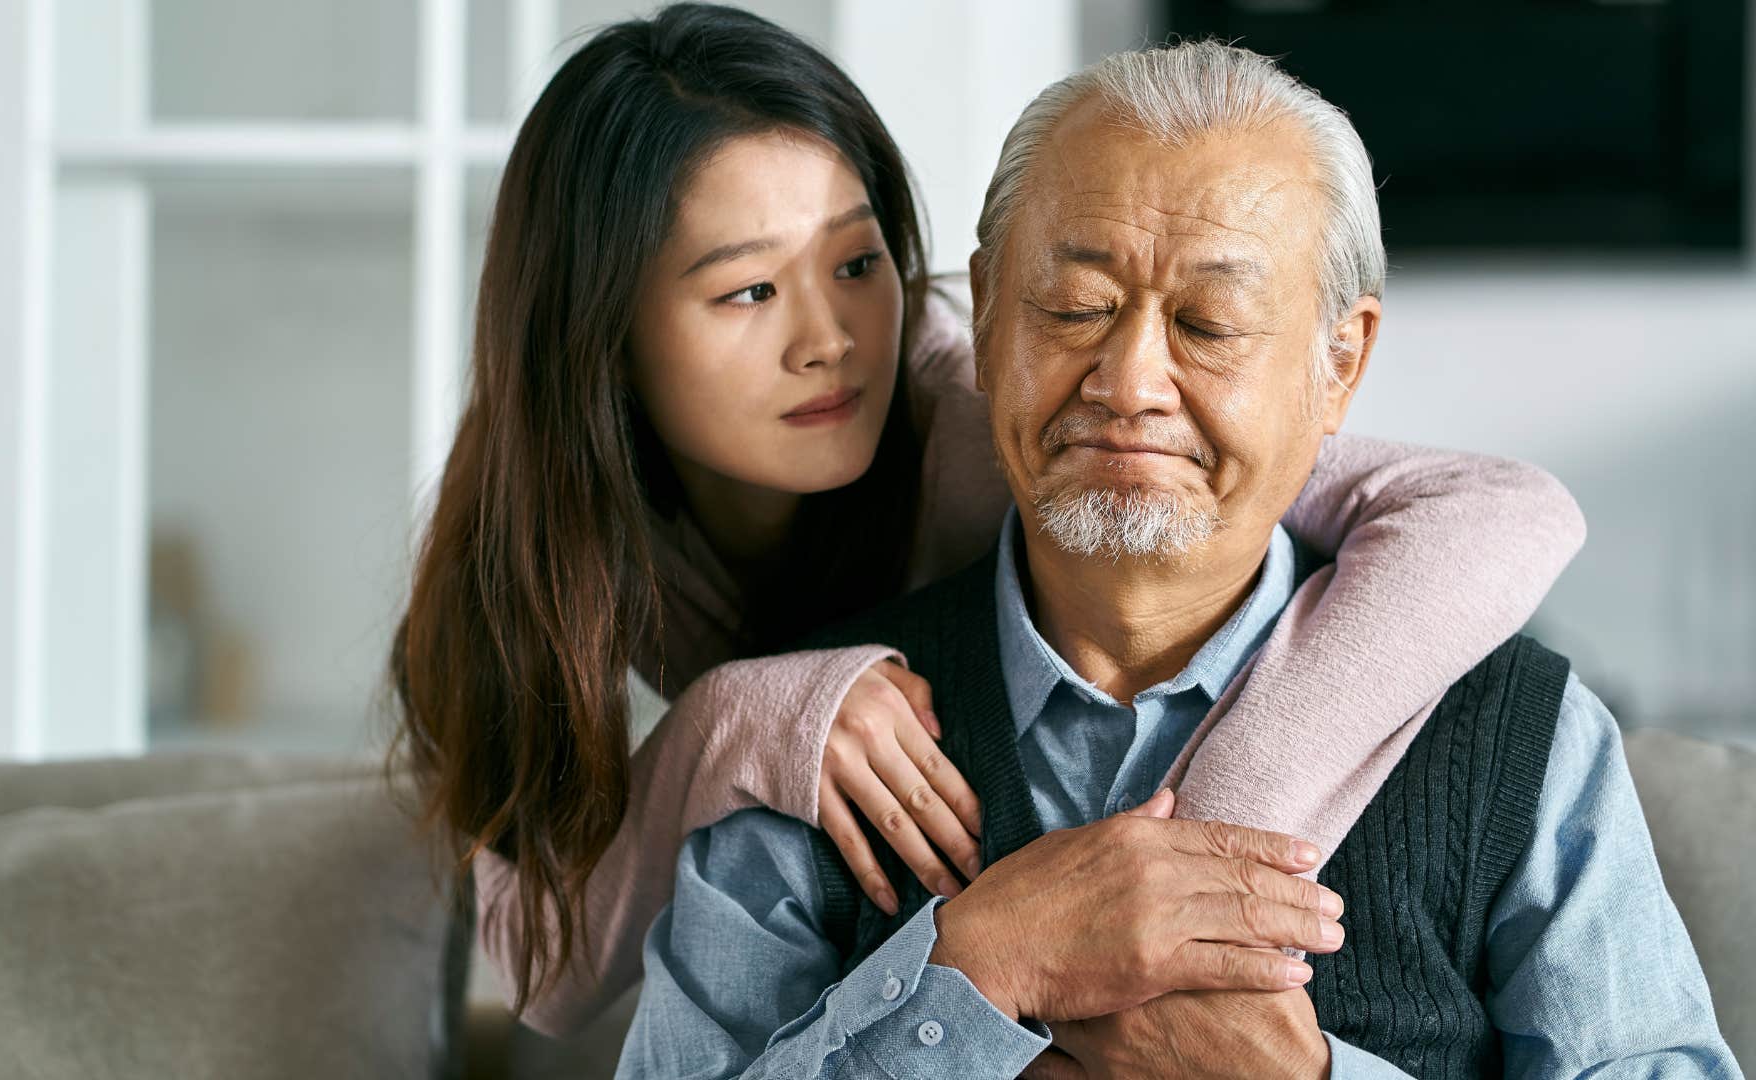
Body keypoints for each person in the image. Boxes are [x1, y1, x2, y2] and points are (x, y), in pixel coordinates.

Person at [388, 4, 1585, 1037]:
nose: (830, 336)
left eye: (857, 264)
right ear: (601, 329)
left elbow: (1498, 509)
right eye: (749, 290)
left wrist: (1204, 847)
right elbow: (542, 975)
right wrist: (731, 719)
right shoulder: (531, 538)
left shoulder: (986, 405)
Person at [612, 39, 1740, 1079]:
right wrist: (973, 976)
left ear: (1338, 365)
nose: (1130, 382)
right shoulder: (821, 761)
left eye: (1208, 324)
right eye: (1076, 304)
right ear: (990, 311)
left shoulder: (1520, 735)